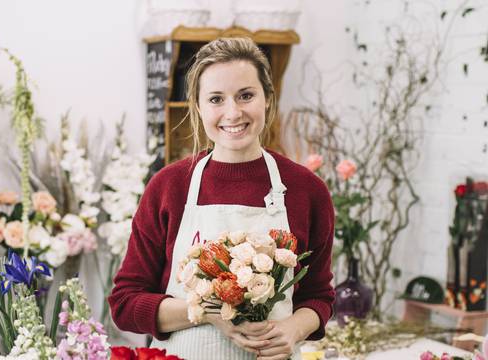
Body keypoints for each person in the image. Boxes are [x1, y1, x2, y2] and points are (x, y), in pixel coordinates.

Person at [109, 37, 335, 360]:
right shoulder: (169, 187)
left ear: (268, 99)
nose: (233, 112)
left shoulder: (307, 191)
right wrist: (208, 311)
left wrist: (293, 329)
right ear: (198, 107)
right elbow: (125, 303)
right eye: (216, 99)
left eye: (246, 95)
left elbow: (319, 296)